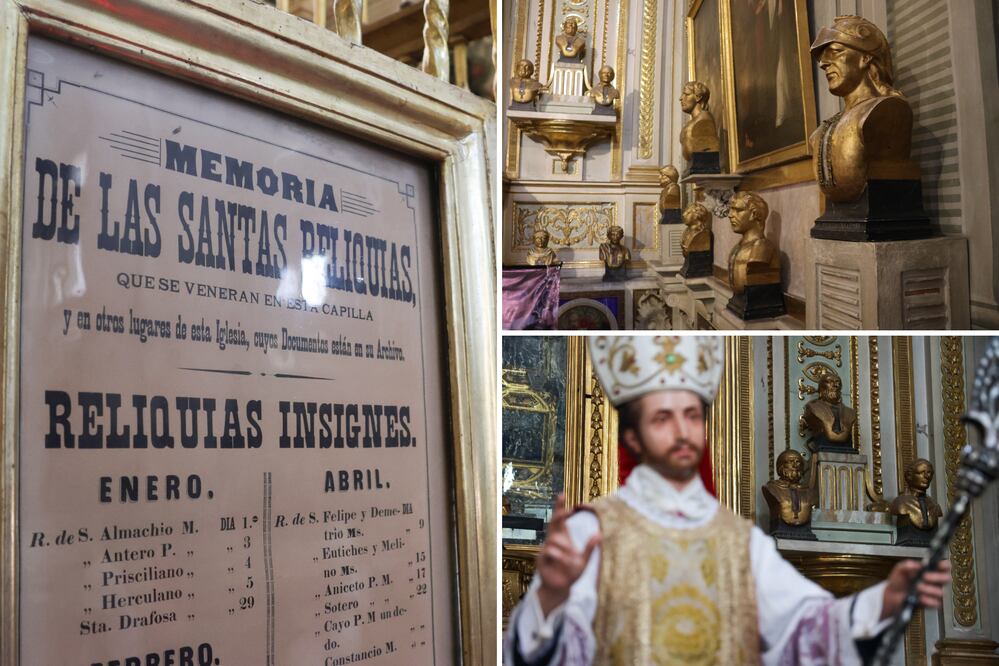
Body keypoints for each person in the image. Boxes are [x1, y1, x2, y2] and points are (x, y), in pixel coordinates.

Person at [504, 335, 952, 665]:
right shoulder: (591, 532)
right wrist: (550, 600)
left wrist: (880, 601)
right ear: (634, 437)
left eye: (692, 416)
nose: (682, 433)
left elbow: (806, 627)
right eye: (663, 418)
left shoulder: (738, 542)